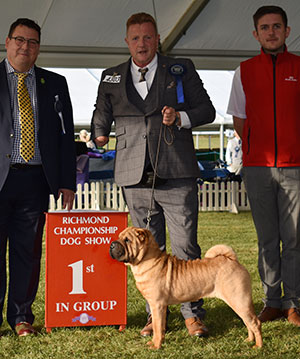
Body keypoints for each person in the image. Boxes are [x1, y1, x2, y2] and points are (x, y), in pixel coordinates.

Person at [91, 12, 215, 338]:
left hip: (176, 172)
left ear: (157, 39)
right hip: (134, 175)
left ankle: (192, 315)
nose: (142, 44)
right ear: (127, 41)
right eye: (136, 38)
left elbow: (207, 110)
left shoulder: (180, 68)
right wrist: (100, 133)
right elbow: (101, 111)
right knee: (143, 251)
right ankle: (154, 316)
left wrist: (180, 117)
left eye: (148, 37)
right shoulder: (111, 76)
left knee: (186, 249)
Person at [0, 18, 76, 336]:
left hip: (35, 182)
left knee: (28, 253)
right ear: (7, 42)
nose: (25, 46)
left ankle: (21, 318)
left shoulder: (54, 83)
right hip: (0, 179)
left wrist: (67, 182)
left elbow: (65, 136)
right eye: (19, 39)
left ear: (38, 48)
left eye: (32, 42)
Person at [227, 5, 300, 326]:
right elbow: (240, 120)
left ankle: (293, 302)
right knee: (268, 239)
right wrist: (258, 147)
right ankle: (272, 301)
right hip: (257, 167)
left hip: (295, 166)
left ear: (287, 31)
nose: (271, 32)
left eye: (277, 26)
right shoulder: (243, 70)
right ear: (256, 34)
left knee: (295, 238)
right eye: (265, 27)